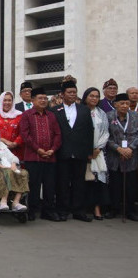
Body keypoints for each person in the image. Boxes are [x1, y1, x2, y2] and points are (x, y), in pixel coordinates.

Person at [51, 80, 94, 222]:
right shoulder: (55, 110)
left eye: (74, 92)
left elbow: (89, 131)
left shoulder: (84, 110)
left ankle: (78, 210)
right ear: (62, 95)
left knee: (79, 183)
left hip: (80, 152)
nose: (72, 95)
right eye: (69, 92)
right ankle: (62, 210)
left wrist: (89, 151)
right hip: (62, 152)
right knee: (62, 183)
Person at [19, 87, 61, 221]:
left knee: (50, 185)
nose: (43, 101)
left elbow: (58, 134)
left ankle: (48, 211)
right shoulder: (26, 115)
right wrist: (38, 149)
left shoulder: (52, 115)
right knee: (33, 185)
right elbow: (25, 135)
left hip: (50, 157)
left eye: (45, 98)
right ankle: (32, 210)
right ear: (33, 100)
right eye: (40, 98)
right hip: (33, 157)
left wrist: (53, 149)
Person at [105, 93, 138, 221]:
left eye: (127, 103)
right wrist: (118, 149)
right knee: (115, 185)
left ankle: (130, 210)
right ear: (115, 105)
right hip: (115, 156)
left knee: (131, 185)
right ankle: (114, 209)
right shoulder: (108, 117)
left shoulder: (135, 116)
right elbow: (106, 136)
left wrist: (130, 148)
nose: (125, 106)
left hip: (132, 155)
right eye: (122, 103)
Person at [81, 87, 110, 221]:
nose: (94, 98)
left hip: (98, 152)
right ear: (86, 97)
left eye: (97, 96)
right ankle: (84, 207)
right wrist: (87, 150)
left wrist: (98, 148)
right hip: (83, 153)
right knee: (86, 180)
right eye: (91, 96)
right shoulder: (80, 111)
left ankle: (97, 208)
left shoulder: (101, 113)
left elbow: (106, 132)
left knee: (98, 180)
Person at [0, 91, 24, 161]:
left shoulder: (19, 115)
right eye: (5, 100)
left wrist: (15, 143)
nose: (7, 103)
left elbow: (23, 132)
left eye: (9, 100)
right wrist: (5, 142)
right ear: (0, 101)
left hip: (16, 151)